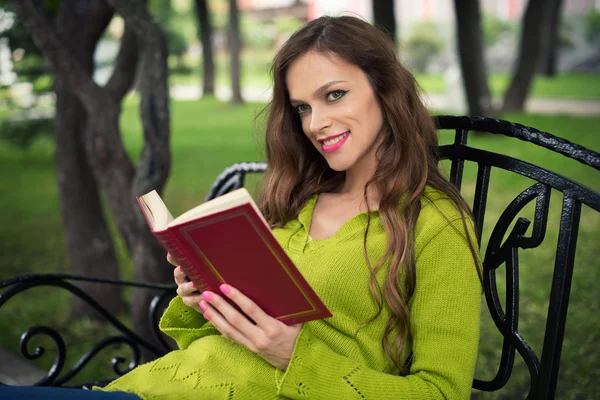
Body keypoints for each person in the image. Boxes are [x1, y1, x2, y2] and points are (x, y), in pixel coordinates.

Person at [1, 15, 482, 400]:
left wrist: (296, 356)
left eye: (334, 94)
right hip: (158, 386)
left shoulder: (436, 225)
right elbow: (219, 349)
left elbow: (441, 391)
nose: (317, 123)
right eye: (302, 108)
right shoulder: (300, 200)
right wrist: (203, 300)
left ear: (385, 90)